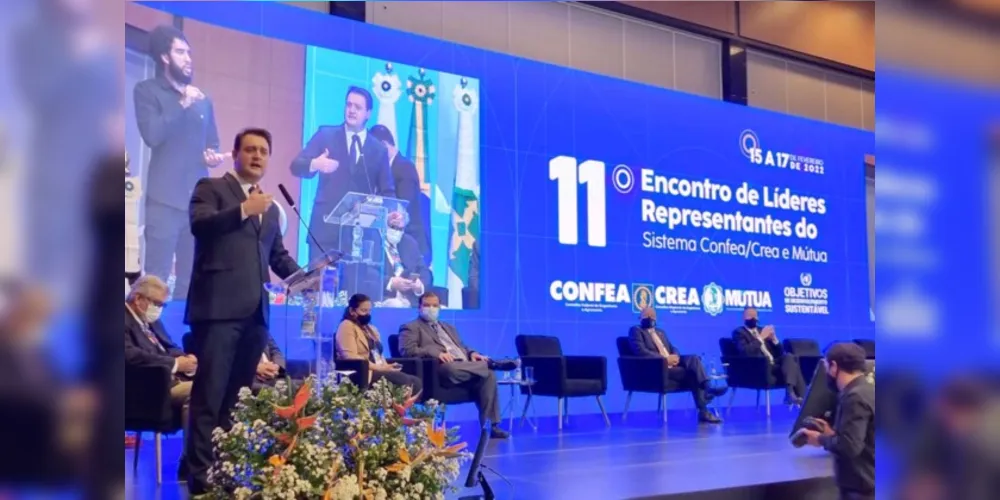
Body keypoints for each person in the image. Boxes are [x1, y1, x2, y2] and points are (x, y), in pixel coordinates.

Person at [184, 128, 300, 495]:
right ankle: (199, 474)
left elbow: (277, 257)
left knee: (236, 398)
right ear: (234, 153)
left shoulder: (268, 209)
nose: (257, 156)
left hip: (254, 314)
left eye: (264, 151)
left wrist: (307, 276)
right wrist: (241, 210)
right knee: (210, 394)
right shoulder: (211, 188)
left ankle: (225, 466)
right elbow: (199, 225)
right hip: (217, 309)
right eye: (250, 149)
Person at [134, 25, 226, 300]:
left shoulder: (203, 100)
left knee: (191, 278)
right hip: (163, 202)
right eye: (181, 52)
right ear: (165, 56)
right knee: (155, 278)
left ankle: (182, 340)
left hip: (197, 204)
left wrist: (212, 154)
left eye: (189, 52)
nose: (188, 58)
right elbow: (152, 135)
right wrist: (182, 103)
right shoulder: (147, 91)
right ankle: (146, 338)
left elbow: (213, 141)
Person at [289, 86, 395, 262]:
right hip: (323, 234)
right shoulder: (326, 135)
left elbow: (388, 191)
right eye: (349, 105)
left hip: (359, 237)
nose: (351, 110)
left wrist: (391, 213)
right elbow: (295, 166)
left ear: (368, 113)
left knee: (352, 288)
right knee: (318, 287)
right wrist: (316, 164)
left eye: (358, 107)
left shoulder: (378, 149)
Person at [400, 292, 508, 439]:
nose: (431, 308)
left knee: (489, 376)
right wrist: (435, 353)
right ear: (419, 307)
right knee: (453, 368)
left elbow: (461, 347)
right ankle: (491, 364)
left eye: (435, 305)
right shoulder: (411, 327)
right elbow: (407, 350)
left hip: (463, 365)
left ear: (440, 307)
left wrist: (472, 354)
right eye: (427, 305)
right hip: (441, 370)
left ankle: (490, 427)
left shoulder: (448, 327)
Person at [124, 275, 196, 477]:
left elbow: (170, 347)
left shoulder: (151, 321)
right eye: (157, 303)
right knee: (200, 392)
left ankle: (209, 456)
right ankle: (191, 461)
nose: (160, 309)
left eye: (163, 305)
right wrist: (174, 364)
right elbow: (130, 356)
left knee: (215, 387)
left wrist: (186, 360)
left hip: (171, 381)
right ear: (138, 299)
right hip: (145, 389)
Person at [800, 343, 875, 500]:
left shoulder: (854, 397)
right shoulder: (869, 390)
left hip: (861, 487)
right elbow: (863, 437)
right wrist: (831, 434)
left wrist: (819, 439)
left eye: (827, 365)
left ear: (834, 366)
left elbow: (849, 447)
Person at [628, 307, 726, 424]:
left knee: (694, 359)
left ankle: (706, 387)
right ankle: (705, 406)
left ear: (655, 318)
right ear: (640, 318)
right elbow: (641, 351)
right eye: (646, 316)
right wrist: (665, 359)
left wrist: (675, 356)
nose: (649, 318)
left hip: (671, 362)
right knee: (693, 373)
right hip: (657, 367)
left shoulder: (660, 332)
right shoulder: (636, 331)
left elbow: (672, 347)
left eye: (651, 316)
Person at [335, 294, 422, 395]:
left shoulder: (370, 328)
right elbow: (350, 356)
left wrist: (387, 366)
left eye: (369, 311)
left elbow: (378, 353)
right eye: (363, 311)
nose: (367, 314)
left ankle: (402, 409)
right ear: (352, 311)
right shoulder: (346, 326)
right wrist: (380, 368)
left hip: (379, 368)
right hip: (364, 372)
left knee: (416, 382)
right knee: (403, 380)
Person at [368, 124, 430, 262]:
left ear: (383, 145)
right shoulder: (384, 170)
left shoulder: (404, 167)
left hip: (409, 244)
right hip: (392, 242)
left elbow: (402, 206)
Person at [732, 307, 807, 405]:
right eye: (750, 316)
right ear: (744, 317)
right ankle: (803, 400)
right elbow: (746, 352)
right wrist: (761, 338)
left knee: (789, 357)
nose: (753, 318)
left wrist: (774, 339)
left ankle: (790, 392)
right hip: (758, 367)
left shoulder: (762, 330)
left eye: (755, 316)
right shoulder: (739, 333)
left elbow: (780, 353)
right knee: (795, 368)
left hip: (773, 364)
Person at [379, 211, 430, 308]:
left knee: (440, 309)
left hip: (410, 297)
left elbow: (424, 270)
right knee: (396, 305)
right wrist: (391, 282)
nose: (397, 232)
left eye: (401, 229)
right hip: (384, 296)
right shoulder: (372, 240)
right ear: (383, 224)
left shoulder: (409, 242)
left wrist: (419, 285)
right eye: (393, 227)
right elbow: (367, 274)